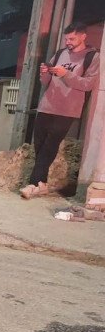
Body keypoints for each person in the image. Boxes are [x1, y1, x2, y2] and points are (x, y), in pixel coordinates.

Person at [22, 22, 100, 199]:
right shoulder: (60, 53)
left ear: (83, 36)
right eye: (66, 38)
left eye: (72, 38)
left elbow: (88, 84)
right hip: (46, 105)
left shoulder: (92, 57)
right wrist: (45, 73)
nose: (68, 42)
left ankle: (34, 183)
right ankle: (41, 184)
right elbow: (46, 83)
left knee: (50, 145)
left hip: (67, 109)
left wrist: (66, 74)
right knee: (40, 145)